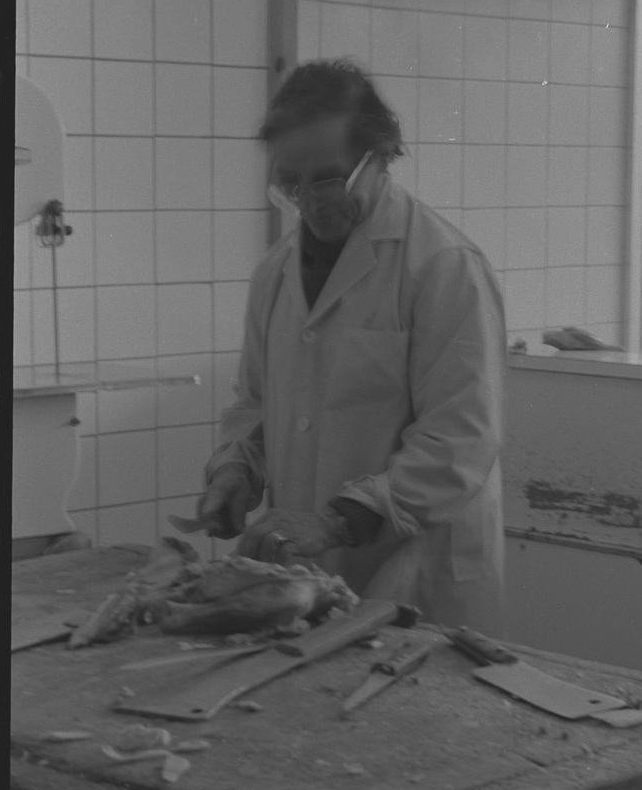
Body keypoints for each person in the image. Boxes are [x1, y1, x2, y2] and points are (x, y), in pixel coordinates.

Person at [196, 59, 507, 636]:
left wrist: (338, 522)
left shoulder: (442, 268)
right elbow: (255, 403)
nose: (312, 201)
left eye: (330, 178)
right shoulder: (274, 274)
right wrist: (235, 469)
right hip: (309, 577)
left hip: (416, 573)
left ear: (381, 157)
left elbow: (461, 438)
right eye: (292, 183)